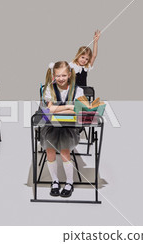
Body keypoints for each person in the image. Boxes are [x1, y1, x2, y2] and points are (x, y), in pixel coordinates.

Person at [41, 61, 85, 197]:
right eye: (58, 76)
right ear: (54, 75)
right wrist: (69, 107)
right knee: (50, 150)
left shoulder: (78, 90)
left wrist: (58, 109)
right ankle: (55, 181)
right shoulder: (49, 88)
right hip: (51, 127)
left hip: (70, 128)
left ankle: (69, 182)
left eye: (64, 75)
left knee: (65, 151)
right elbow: (49, 110)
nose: (61, 79)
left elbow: (77, 111)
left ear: (69, 74)